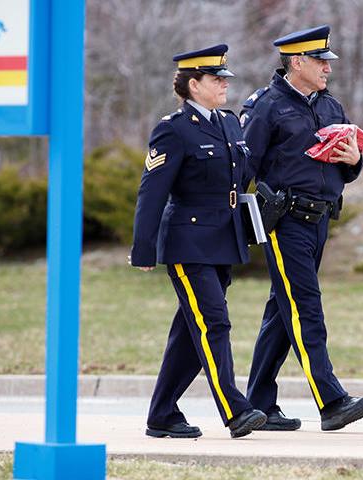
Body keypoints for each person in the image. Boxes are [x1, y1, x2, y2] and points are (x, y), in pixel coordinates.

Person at [241, 25, 363, 432]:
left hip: (320, 221)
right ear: (296, 62)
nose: (327, 69)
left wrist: (353, 160)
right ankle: (331, 401)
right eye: (320, 61)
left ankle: (259, 404)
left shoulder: (330, 107)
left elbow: (346, 168)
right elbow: (243, 168)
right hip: (285, 223)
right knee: (305, 308)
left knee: (282, 314)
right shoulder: (265, 107)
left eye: (327, 62)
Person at [130, 44, 266, 439]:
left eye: (225, 77)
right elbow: (152, 191)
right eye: (216, 79)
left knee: (191, 332)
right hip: (188, 242)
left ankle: (162, 413)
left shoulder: (229, 123)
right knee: (214, 322)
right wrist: (144, 247)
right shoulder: (173, 129)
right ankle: (235, 409)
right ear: (193, 84)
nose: (225, 84)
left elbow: (239, 182)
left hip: (224, 239)